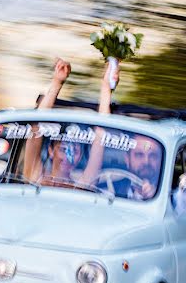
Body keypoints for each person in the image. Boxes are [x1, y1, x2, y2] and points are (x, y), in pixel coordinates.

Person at [23, 59, 116, 187]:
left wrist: (106, 87)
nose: (68, 156)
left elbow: (100, 136)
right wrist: (56, 83)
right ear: (51, 150)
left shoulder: (82, 185)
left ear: (80, 157)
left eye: (75, 151)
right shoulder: (36, 177)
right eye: (63, 149)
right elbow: (36, 130)